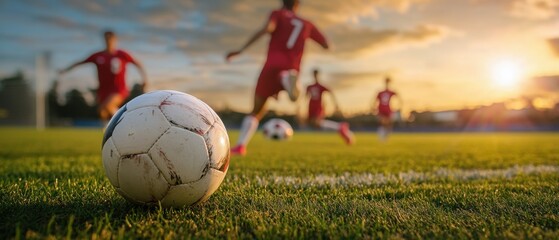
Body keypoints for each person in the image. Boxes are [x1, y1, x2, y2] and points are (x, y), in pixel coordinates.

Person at [226, 0, 329, 156]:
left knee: (255, 111)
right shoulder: (306, 24)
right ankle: (287, 79)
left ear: (283, 3)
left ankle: (241, 146)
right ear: (297, 5)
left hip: (271, 66)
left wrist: (241, 50)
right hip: (292, 67)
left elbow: (268, 28)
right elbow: (326, 44)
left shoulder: (278, 14)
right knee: (293, 95)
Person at [59, 30, 147, 122]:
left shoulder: (122, 54)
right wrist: (66, 70)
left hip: (118, 89)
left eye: (110, 39)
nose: (108, 41)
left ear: (115, 40)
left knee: (108, 106)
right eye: (106, 39)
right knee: (102, 112)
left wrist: (145, 80)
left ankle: (127, 122)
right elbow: (80, 62)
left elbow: (138, 64)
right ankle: (109, 131)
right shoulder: (98, 56)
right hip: (104, 90)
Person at [306, 69, 354, 144]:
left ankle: (340, 127)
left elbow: (331, 92)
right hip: (310, 107)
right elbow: (305, 97)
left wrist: (335, 104)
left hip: (318, 107)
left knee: (317, 123)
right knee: (314, 124)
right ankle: (340, 127)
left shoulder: (321, 86)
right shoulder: (309, 86)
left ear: (318, 75)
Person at [373, 77, 402, 141]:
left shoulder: (390, 92)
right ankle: (381, 135)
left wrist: (400, 104)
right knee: (383, 122)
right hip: (381, 109)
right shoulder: (380, 92)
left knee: (388, 123)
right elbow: (375, 100)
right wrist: (373, 107)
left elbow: (397, 95)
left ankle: (386, 135)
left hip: (388, 109)